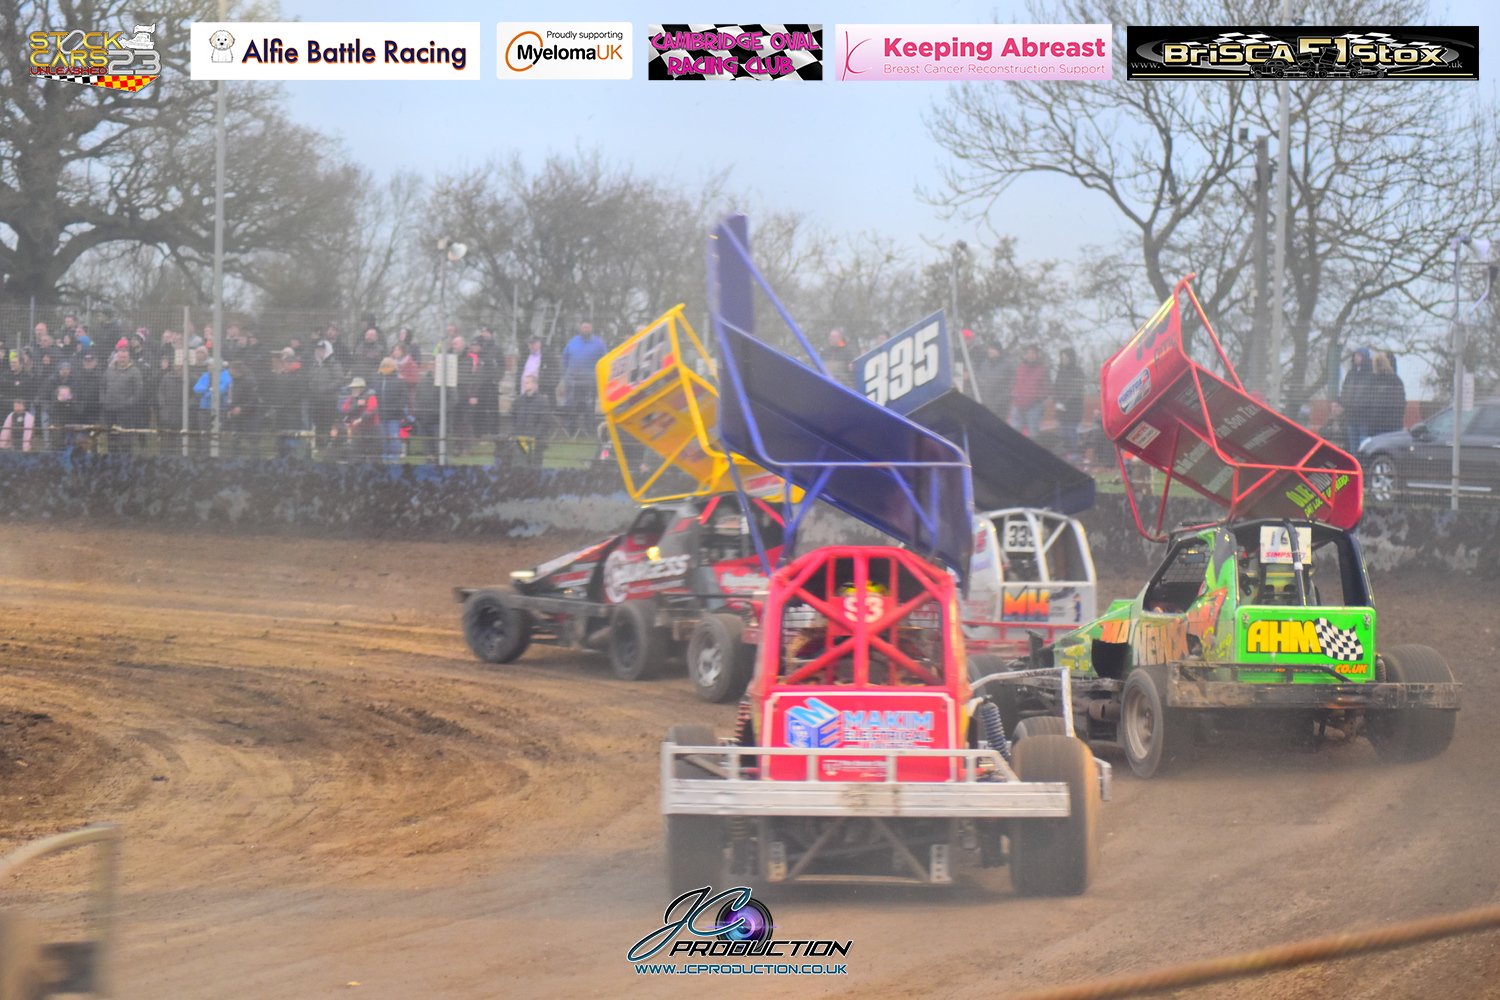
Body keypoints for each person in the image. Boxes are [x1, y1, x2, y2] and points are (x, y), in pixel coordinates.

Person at [560, 321, 607, 434]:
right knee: (571, 404)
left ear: (591, 328)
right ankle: (571, 430)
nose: (585, 329)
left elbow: (605, 360)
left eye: (587, 327)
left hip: (590, 382)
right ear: (580, 329)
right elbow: (564, 358)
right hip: (572, 381)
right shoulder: (573, 341)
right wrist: (566, 375)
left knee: (589, 406)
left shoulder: (599, 343)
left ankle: (589, 430)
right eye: (583, 327)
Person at [101, 345, 145, 453]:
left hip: (126, 412)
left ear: (128, 358)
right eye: (120, 357)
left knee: (126, 439)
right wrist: (104, 400)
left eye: (125, 357)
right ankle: (112, 459)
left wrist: (128, 403)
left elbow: (138, 391)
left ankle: (126, 460)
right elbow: (102, 386)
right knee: (112, 438)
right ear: (117, 357)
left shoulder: (134, 371)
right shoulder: (110, 370)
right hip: (110, 410)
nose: (122, 359)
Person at [1337, 349, 1376, 453]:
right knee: (1353, 444)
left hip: (1364, 416)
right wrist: (1343, 403)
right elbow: (1345, 390)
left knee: (1363, 444)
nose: (1356, 358)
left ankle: (1362, 462)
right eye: (1355, 355)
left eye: (1359, 355)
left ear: (1365, 358)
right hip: (1351, 415)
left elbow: (1372, 394)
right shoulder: (1351, 374)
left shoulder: (1371, 374)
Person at [1009, 344, 1051, 437]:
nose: (1030, 355)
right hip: (1018, 404)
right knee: (1014, 431)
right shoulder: (1019, 368)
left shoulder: (1042, 369)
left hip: (1034, 406)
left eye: (1033, 353)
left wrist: (1036, 397)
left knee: (1033, 433)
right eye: (1028, 353)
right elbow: (1012, 383)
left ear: (1037, 355)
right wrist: (1014, 394)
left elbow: (1048, 388)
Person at [333, 376, 380, 461]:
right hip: (357, 429)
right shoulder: (351, 398)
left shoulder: (370, 396)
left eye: (356, 387)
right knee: (357, 452)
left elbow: (371, 410)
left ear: (361, 388)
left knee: (372, 453)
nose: (354, 389)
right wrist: (355, 406)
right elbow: (345, 409)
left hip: (371, 428)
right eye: (353, 388)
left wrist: (360, 419)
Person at [1052, 346, 1087, 458]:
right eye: (1062, 358)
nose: (1064, 360)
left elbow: (1076, 390)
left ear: (1071, 358)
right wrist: (1057, 401)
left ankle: (1075, 455)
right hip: (1061, 411)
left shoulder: (1078, 372)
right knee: (1062, 433)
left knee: (1072, 432)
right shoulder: (1060, 372)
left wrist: (1064, 403)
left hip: (1073, 410)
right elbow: (1055, 388)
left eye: (1066, 358)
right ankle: (1065, 456)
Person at [1368, 351, 1406, 436]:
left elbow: (1400, 403)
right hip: (1377, 425)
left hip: (1390, 424)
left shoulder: (1394, 380)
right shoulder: (1373, 380)